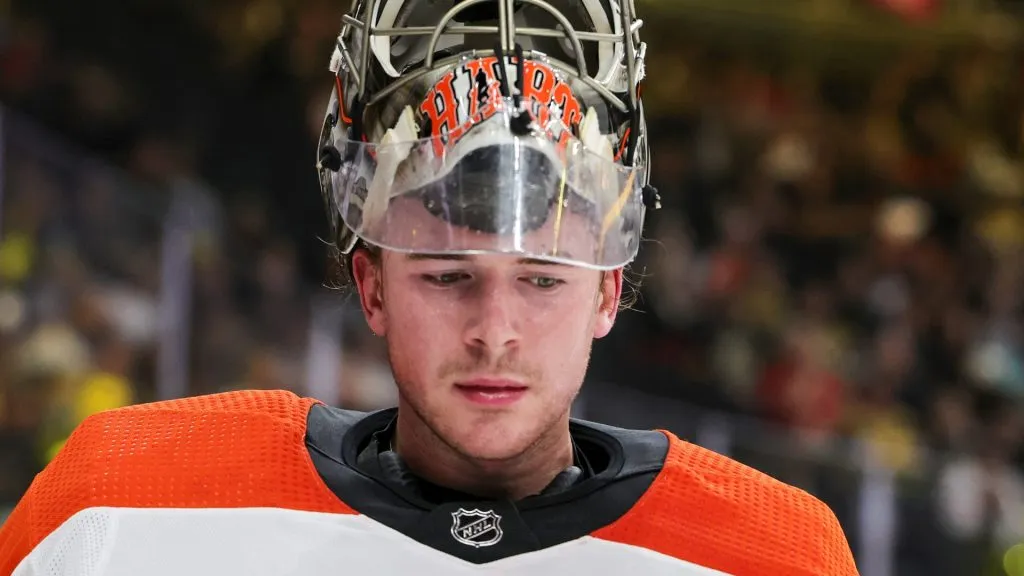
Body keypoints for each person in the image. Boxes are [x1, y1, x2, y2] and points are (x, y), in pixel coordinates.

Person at [0, 1, 859, 574]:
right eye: (449, 277)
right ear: (370, 288)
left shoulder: (775, 552)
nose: (495, 330)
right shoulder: (121, 497)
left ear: (607, 293)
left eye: (542, 281)